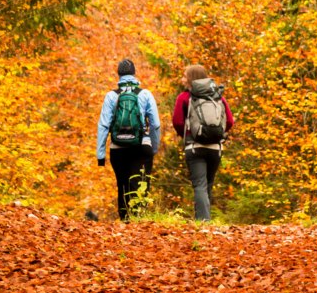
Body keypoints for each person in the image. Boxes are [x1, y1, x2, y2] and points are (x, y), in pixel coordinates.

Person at [96, 58, 161, 220]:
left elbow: (103, 125)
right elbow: (156, 124)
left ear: (118, 74)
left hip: (118, 148)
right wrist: (153, 148)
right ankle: (139, 221)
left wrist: (100, 155)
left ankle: (125, 222)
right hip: (141, 146)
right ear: (134, 73)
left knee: (123, 184)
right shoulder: (145, 94)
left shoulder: (111, 96)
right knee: (140, 184)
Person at [172, 64, 234, 221]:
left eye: (185, 76)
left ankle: (203, 223)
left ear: (191, 78)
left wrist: (185, 135)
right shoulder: (218, 97)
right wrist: (218, 134)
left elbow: (178, 121)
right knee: (208, 184)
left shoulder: (184, 98)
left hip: (194, 146)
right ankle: (205, 220)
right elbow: (230, 121)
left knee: (199, 185)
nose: (182, 79)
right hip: (215, 147)